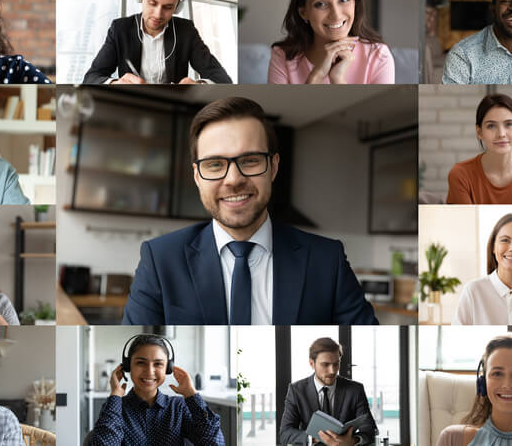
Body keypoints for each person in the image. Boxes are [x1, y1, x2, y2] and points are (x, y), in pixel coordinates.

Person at [122, 97, 377, 325]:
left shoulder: (327, 260)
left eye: (250, 160)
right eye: (214, 164)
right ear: (197, 176)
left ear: (273, 167)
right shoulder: (160, 259)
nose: (233, 179)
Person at [82, 0, 231, 84]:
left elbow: (221, 77)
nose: (158, 15)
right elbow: (92, 77)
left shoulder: (186, 31)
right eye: (152, 3)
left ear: (177, 8)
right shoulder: (120, 28)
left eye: (168, 7)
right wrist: (115, 83)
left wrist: (200, 84)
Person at [268, 0, 394, 84]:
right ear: (303, 12)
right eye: (321, 4)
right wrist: (316, 76)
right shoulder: (282, 56)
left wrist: (337, 79)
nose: (336, 15)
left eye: (343, 0)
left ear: (354, 4)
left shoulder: (378, 55)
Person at [89, 334, 225, 445]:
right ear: (127, 366)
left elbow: (214, 443)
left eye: (158, 364)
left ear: (168, 368)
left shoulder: (178, 407)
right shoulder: (115, 408)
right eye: (141, 363)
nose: (149, 371)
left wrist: (191, 394)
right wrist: (115, 395)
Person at [446, 94, 512, 204]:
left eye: (508, 124)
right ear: (479, 132)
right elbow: (466, 221)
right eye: (491, 126)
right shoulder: (460, 175)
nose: (501, 134)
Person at [279, 337, 377, 446]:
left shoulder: (355, 389)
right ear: (312, 364)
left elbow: (370, 428)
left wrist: (353, 441)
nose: (332, 371)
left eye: (336, 364)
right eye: (325, 364)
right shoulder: (297, 391)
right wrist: (316, 438)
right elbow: (285, 434)